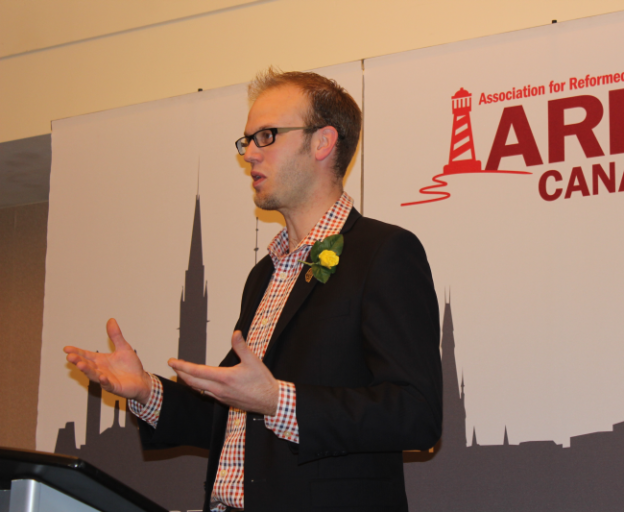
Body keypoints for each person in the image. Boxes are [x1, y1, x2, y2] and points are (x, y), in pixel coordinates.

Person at [64, 68, 442, 512]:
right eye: (246, 141)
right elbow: (228, 415)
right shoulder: (264, 274)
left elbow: (416, 413)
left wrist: (279, 401)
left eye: (266, 136)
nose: (249, 154)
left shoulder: (383, 253)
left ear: (322, 142)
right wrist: (146, 390)